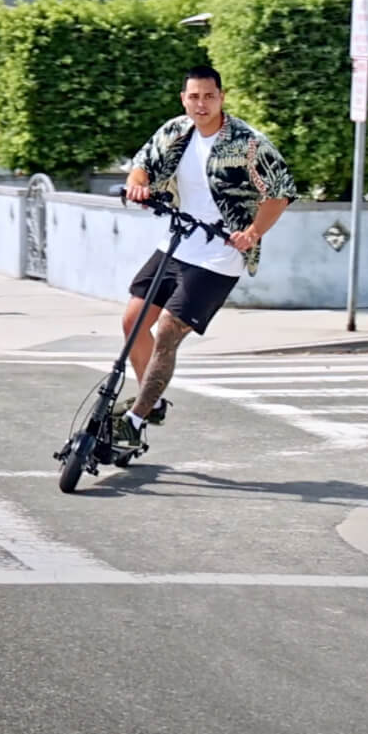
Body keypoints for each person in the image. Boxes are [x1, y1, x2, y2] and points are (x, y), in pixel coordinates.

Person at [115, 65, 298, 447]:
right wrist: (137, 187)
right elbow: (140, 167)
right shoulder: (174, 131)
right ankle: (153, 400)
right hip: (178, 242)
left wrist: (252, 234)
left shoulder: (248, 143)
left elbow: (279, 193)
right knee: (133, 322)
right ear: (184, 99)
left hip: (220, 255)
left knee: (167, 330)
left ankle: (134, 420)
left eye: (209, 96)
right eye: (194, 96)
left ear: (222, 96)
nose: (201, 104)